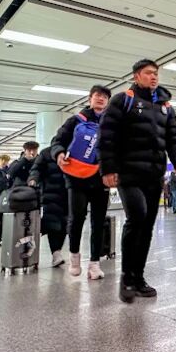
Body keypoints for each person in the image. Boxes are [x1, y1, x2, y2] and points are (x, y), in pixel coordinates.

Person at [99, 60, 176, 303]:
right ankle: (127, 277)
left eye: (156, 73)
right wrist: (108, 168)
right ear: (136, 76)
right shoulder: (122, 100)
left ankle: (138, 277)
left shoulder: (165, 106)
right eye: (148, 73)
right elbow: (106, 135)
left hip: (154, 174)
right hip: (128, 173)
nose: (154, 77)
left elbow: (173, 138)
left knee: (147, 225)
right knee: (137, 217)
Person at [50, 85, 112, 280]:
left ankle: (94, 264)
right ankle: (74, 256)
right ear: (89, 98)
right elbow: (57, 141)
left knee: (99, 222)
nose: (101, 99)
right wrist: (59, 153)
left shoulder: (111, 123)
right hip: (76, 178)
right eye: (97, 96)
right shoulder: (76, 120)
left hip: (101, 178)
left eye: (104, 97)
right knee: (76, 218)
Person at [28, 145, 68, 268]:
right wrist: (33, 179)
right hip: (50, 194)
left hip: (69, 194)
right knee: (53, 225)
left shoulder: (72, 150)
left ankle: (58, 251)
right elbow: (36, 169)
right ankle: (56, 253)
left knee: (65, 225)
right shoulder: (46, 153)